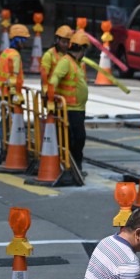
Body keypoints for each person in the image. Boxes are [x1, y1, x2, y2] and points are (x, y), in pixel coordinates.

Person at [47, 31, 90, 171]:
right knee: (77, 138)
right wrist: (51, 98)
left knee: (78, 138)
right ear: (82, 49)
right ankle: (72, 165)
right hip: (70, 109)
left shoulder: (77, 63)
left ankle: (75, 166)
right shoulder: (66, 62)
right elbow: (54, 79)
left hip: (78, 109)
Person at [0, 24, 30, 100]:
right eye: (24, 41)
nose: (26, 44)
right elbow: (14, 76)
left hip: (1, 92)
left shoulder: (5, 52)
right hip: (10, 94)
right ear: (19, 41)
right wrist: (14, 94)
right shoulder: (15, 56)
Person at [40, 25, 73, 92]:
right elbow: (44, 75)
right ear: (57, 40)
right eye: (63, 42)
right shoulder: (49, 55)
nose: (66, 45)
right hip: (52, 93)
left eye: (68, 42)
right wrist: (46, 91)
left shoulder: (71, 56)